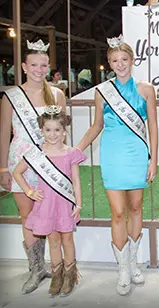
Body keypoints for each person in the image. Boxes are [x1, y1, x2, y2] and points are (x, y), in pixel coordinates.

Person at [76, 34, 158, 296]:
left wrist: (154, 160)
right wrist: (76, 150)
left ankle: (133, 263)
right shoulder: (102, 92)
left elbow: (153, 127)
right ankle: (122, 267)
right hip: (112, 155)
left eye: (124, 59)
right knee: (118, 213)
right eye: (115, 60)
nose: (120, 64)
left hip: (136, 154)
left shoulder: (146, 89)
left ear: (132, 60)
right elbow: (97, 126)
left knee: (136, 207)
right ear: (109, 63)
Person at [0, 39, 66, 294]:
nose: (39, 70)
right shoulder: (11, 97)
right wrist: (3, 170)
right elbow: (4, 132)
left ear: (48, 67)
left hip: (49, 163)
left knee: (50, 214)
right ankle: (36, 269)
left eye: (44, 65)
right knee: (27, 217)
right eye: (34, 65)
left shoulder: (57, 94)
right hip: (20, 162)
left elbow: (61, 134)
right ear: (24, 67)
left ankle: (57, 267)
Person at [13, 106, 86, 297]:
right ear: (42, 130)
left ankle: (70, 276)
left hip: (65, 205)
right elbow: (17, 172)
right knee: (53, 240)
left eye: (57, 130)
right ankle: (57, 276)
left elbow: (76, 180)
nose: (52, 134)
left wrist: (78, 203)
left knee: (67, 239)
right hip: (46, 205)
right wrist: (29, 191)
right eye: (48, 130)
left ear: (64, 131)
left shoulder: (71, 152)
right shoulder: (36, 153)